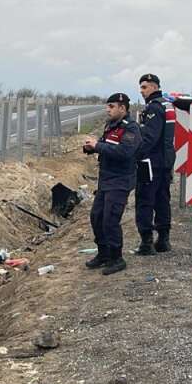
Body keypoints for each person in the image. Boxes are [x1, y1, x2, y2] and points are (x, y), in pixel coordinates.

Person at [82, 93, 140, 275]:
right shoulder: (110, 125)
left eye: (112, 106)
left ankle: (117, 258)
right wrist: (91, 148)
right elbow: (105, 145)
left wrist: (98, 146)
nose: (108, 110)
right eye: (107, 106)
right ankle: (104, 253)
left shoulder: (131, 128)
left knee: (110, 220)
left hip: (120, 180)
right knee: (97, 217)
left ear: (122, 108)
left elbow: (124, 152)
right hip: (106, 179)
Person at [134, 73, 176, 255]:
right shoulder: (167, 104)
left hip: (150, 162)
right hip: (165, 161)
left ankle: (146, 243)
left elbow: (149, 138)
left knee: (144, 201)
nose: (141, 91)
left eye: (144, 87)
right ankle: (164, 240)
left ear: (154, 87)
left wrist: (135, 155)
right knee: (162, 200)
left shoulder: (153, 108)